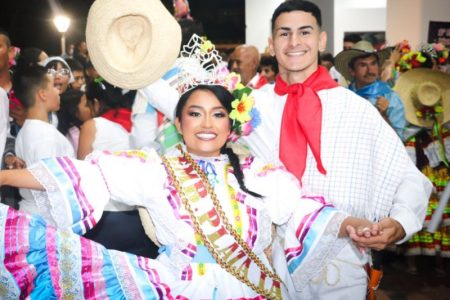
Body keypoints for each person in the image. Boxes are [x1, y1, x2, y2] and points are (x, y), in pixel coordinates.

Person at [147, 1, 431, 298]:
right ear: (271, 43)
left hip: (341, 263)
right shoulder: (250, 107)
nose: (294, 42)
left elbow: (405, 175)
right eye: (284, 34)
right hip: (268, 265)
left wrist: (400, 222)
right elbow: (187, 111)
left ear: (321, 40)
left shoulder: (357, 110)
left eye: (304, 32)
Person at [0, 83, 381, 299]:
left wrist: (351, 223)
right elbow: (79, 175)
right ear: (179, 123)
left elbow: (305, 212)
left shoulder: (262, 175)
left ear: (231, 125)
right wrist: (3, 178)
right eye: (195, 113)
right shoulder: (154, 170)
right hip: (180, 287)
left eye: (218, 114)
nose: (206, 123)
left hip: (256, 289)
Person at [12, 65, 75, 216]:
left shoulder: (28, 129)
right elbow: (48, 183)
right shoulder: (44, 136)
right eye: (53, 85)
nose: (58, 90)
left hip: (36, 216)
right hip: (47, 221)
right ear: (42, 95)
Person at [335, 40, 406, 138]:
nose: (370, 70)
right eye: (363, 65)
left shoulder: (391, 98)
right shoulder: (343, 98)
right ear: (352, 71)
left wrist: (384, 116)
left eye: (373, 64)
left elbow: (398, 140)